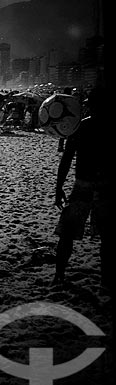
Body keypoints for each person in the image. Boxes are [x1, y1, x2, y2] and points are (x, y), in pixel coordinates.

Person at [52, 87, 111, 291]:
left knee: (67, 234)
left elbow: (67, 159)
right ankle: (106, 279)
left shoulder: (81, 128)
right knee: (107, 237)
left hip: (82, 186)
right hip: (106, 189)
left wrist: (59, 186)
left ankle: (60, 274)